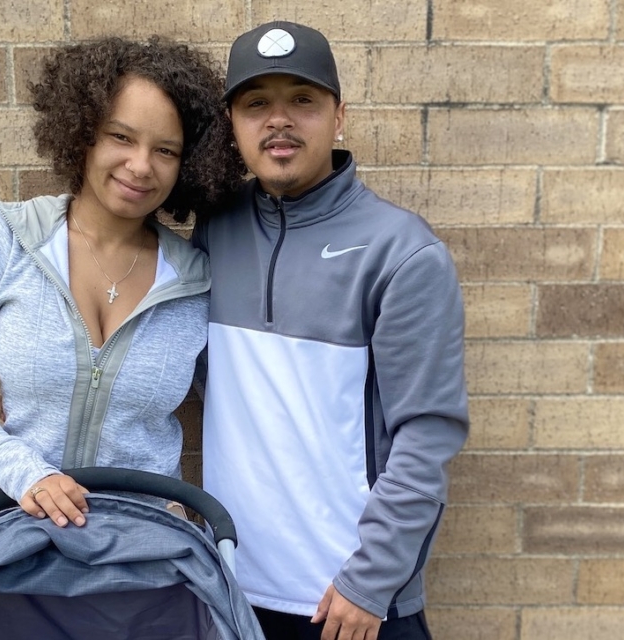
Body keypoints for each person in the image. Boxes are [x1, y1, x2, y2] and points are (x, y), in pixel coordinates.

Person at [193, 21, 469, 640]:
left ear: (339, 115)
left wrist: (369, 581)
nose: (279, 120)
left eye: (303, 100)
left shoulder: (403, 252)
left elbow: (427, 434)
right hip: (232, 591)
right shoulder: (217, 230)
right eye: (256, 103)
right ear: (233, 125)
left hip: (344, 605)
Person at [0, 37, 242, 529]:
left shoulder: (195, 280)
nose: (140, 166)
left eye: (166, 150)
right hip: (21, 535)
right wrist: (25, 473)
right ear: (84, 131)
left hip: (145, 549)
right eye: (121, 137)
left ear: (189, 163)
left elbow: (243, 404)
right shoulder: (3, 239)